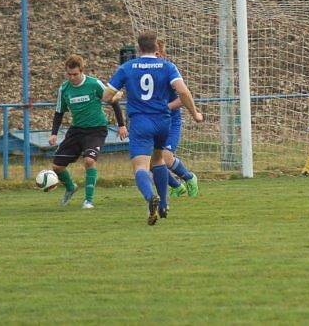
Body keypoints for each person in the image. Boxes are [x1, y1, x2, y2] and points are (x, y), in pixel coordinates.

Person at [102, 31, 204, 225]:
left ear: (139, 48)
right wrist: (196, 114)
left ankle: (151, 197)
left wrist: (116, 96)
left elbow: (107, 96)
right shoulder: (167, 66)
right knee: (158, 159)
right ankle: (164, 204)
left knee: (140, 166)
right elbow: (183, 91)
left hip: (141, 123)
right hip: (163, 122)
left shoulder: (127, 67)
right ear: (156, 47)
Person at [49, 54, 127, 209]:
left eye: (75, 74)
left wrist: (121, 125)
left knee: (89, 161)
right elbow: (59, 112)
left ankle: (88, 200)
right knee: (57, 167)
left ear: (82, 71)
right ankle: (71, 187)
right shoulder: (64, 89)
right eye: (69, 74)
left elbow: (113, 100)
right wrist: (53, 133)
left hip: (96, 130)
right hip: (76, 130)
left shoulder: (93, 84)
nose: (72, 77)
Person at [156, 39, 198, 198]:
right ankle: (177, 186)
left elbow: (184, 97)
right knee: (150, 161)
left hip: (170, 122)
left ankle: (189, 177)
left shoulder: (169, 71)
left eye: (157, 53)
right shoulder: (142, 71)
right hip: (152, 122)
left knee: (165, 158)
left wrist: (166, 107)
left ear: (162, 54)